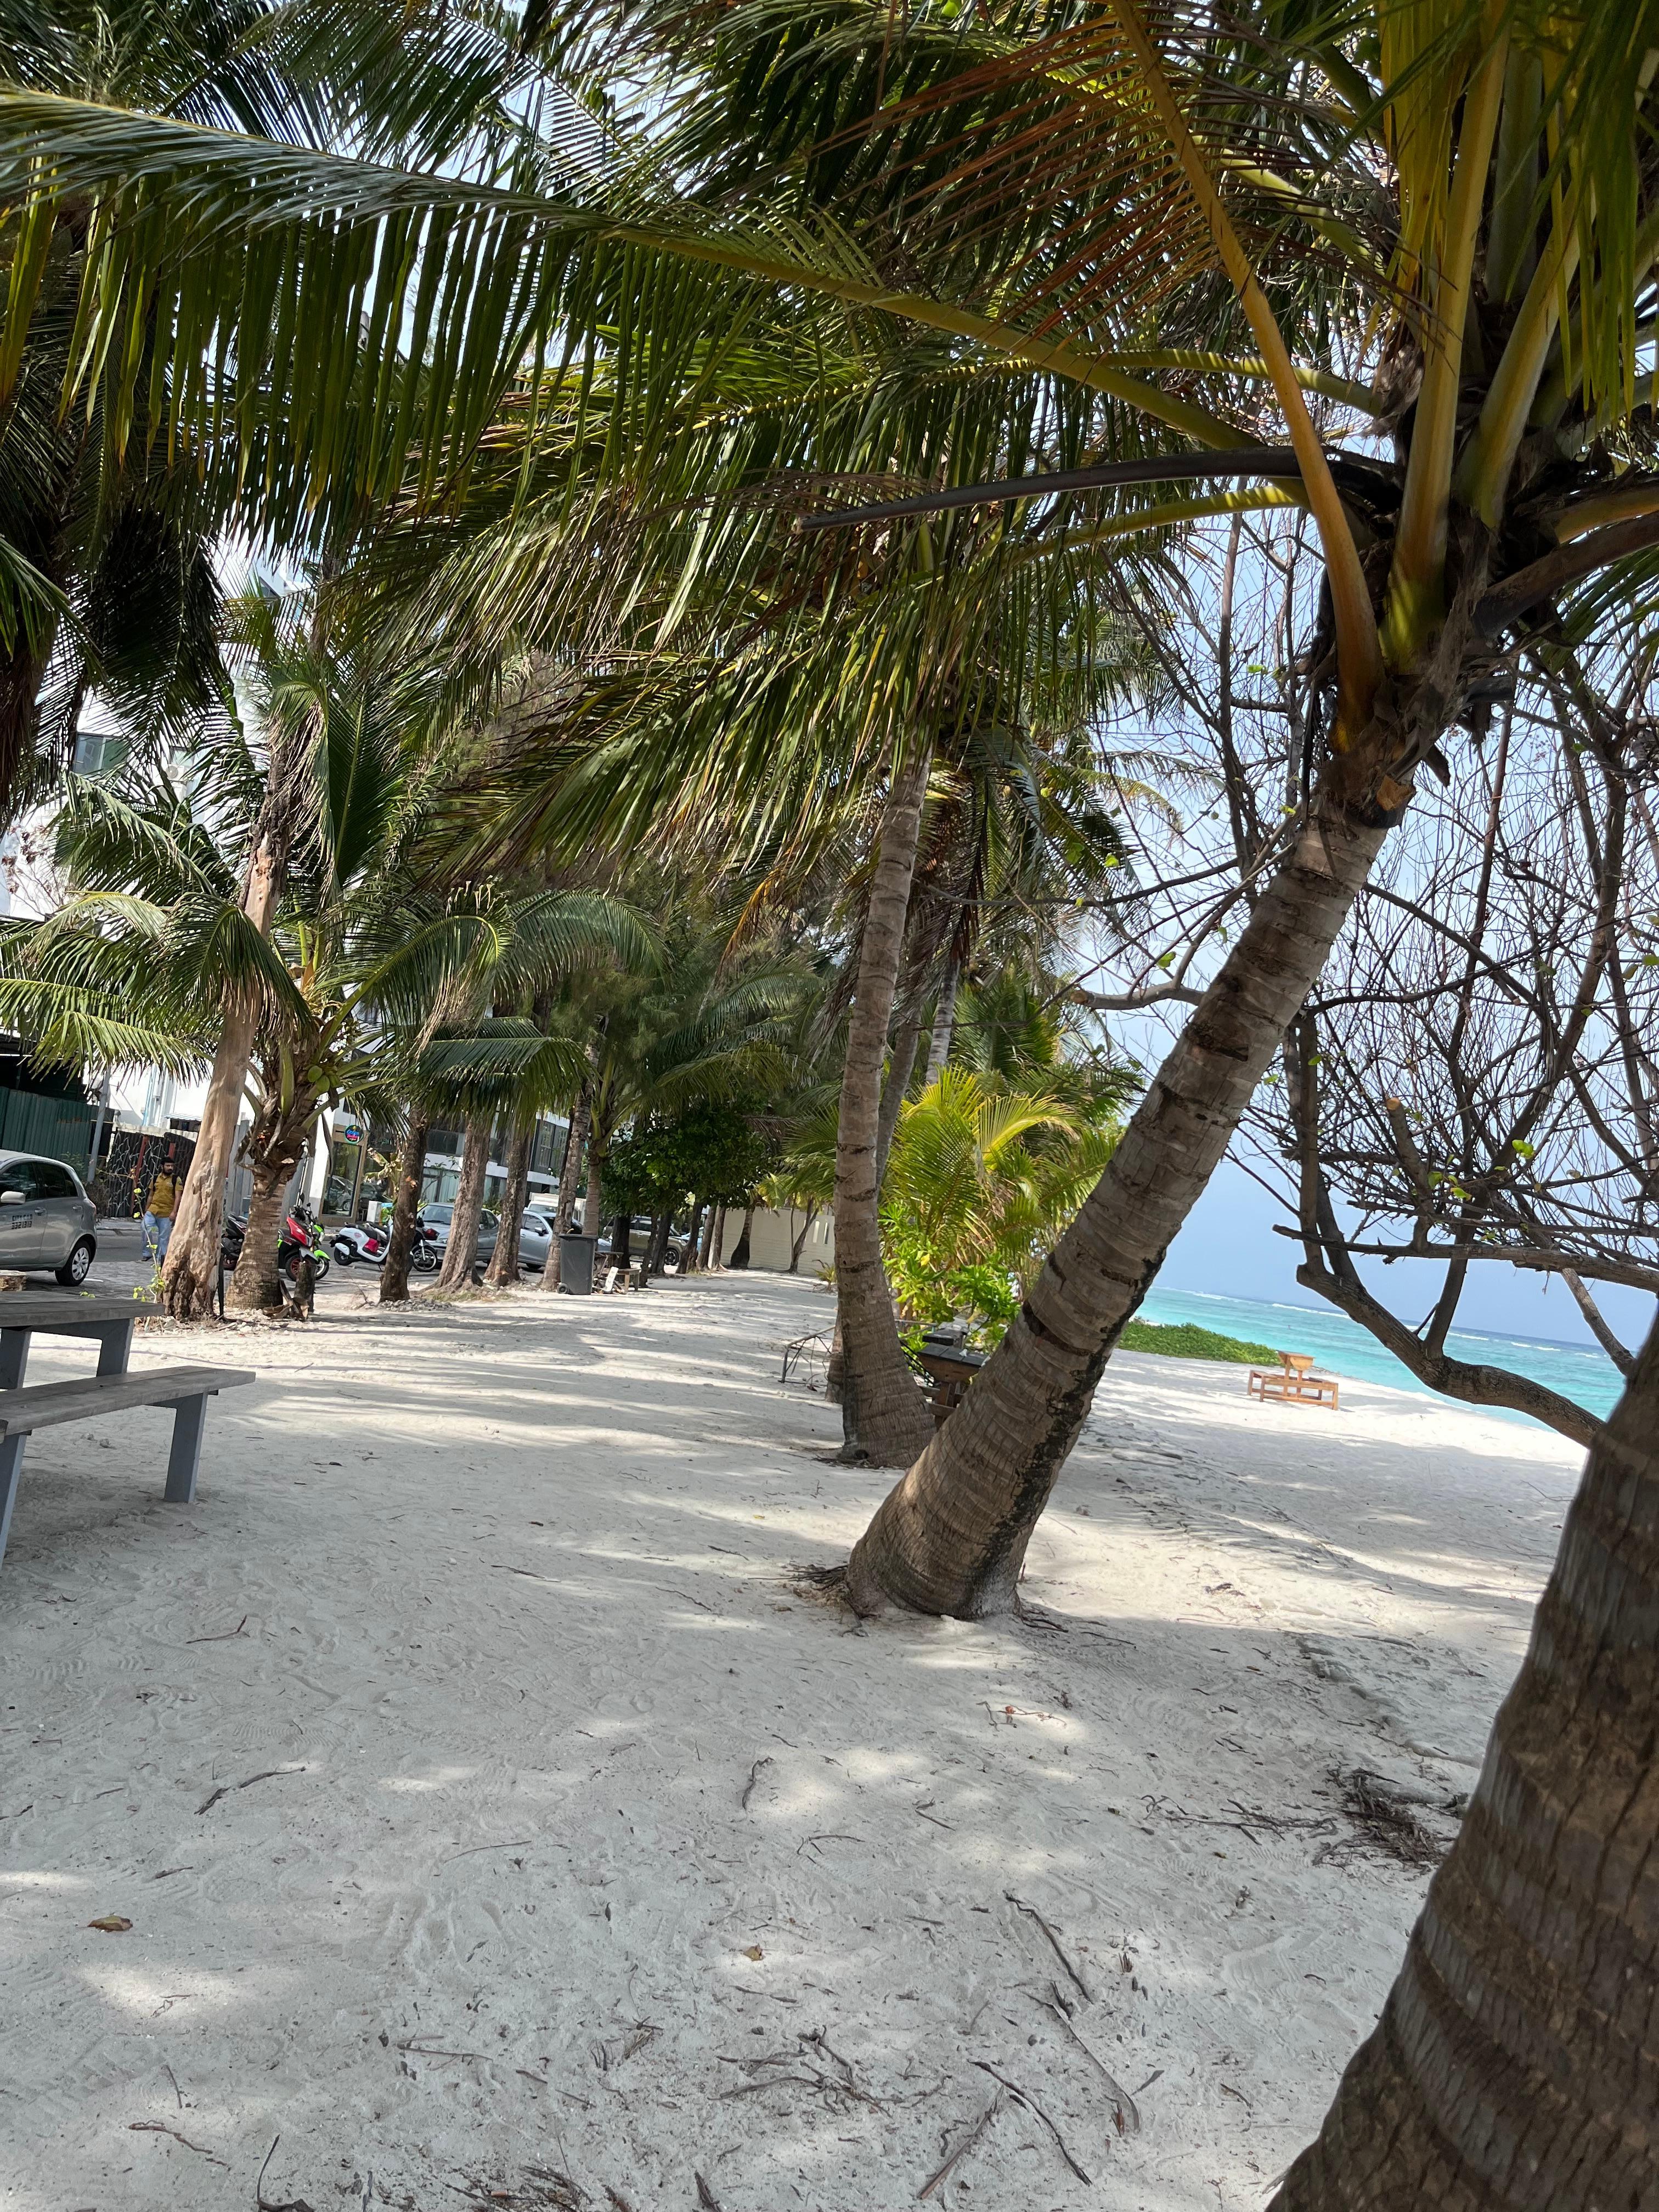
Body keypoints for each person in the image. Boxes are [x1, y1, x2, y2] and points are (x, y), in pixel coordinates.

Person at [143, 1167, 177, 1263]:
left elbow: (178, 1196)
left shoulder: (176, 1180)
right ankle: (147, 1253)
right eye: (168, 1165)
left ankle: (160, 1258)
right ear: (162, 1167)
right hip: (153, 1210)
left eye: (171, 1166)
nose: (170, 1168)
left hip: (167, 1212)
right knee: (145, 1228)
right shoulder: (155, 1179)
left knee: (163, 1236)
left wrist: (174, 1212)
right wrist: (147, 1209)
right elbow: (151, 1195)